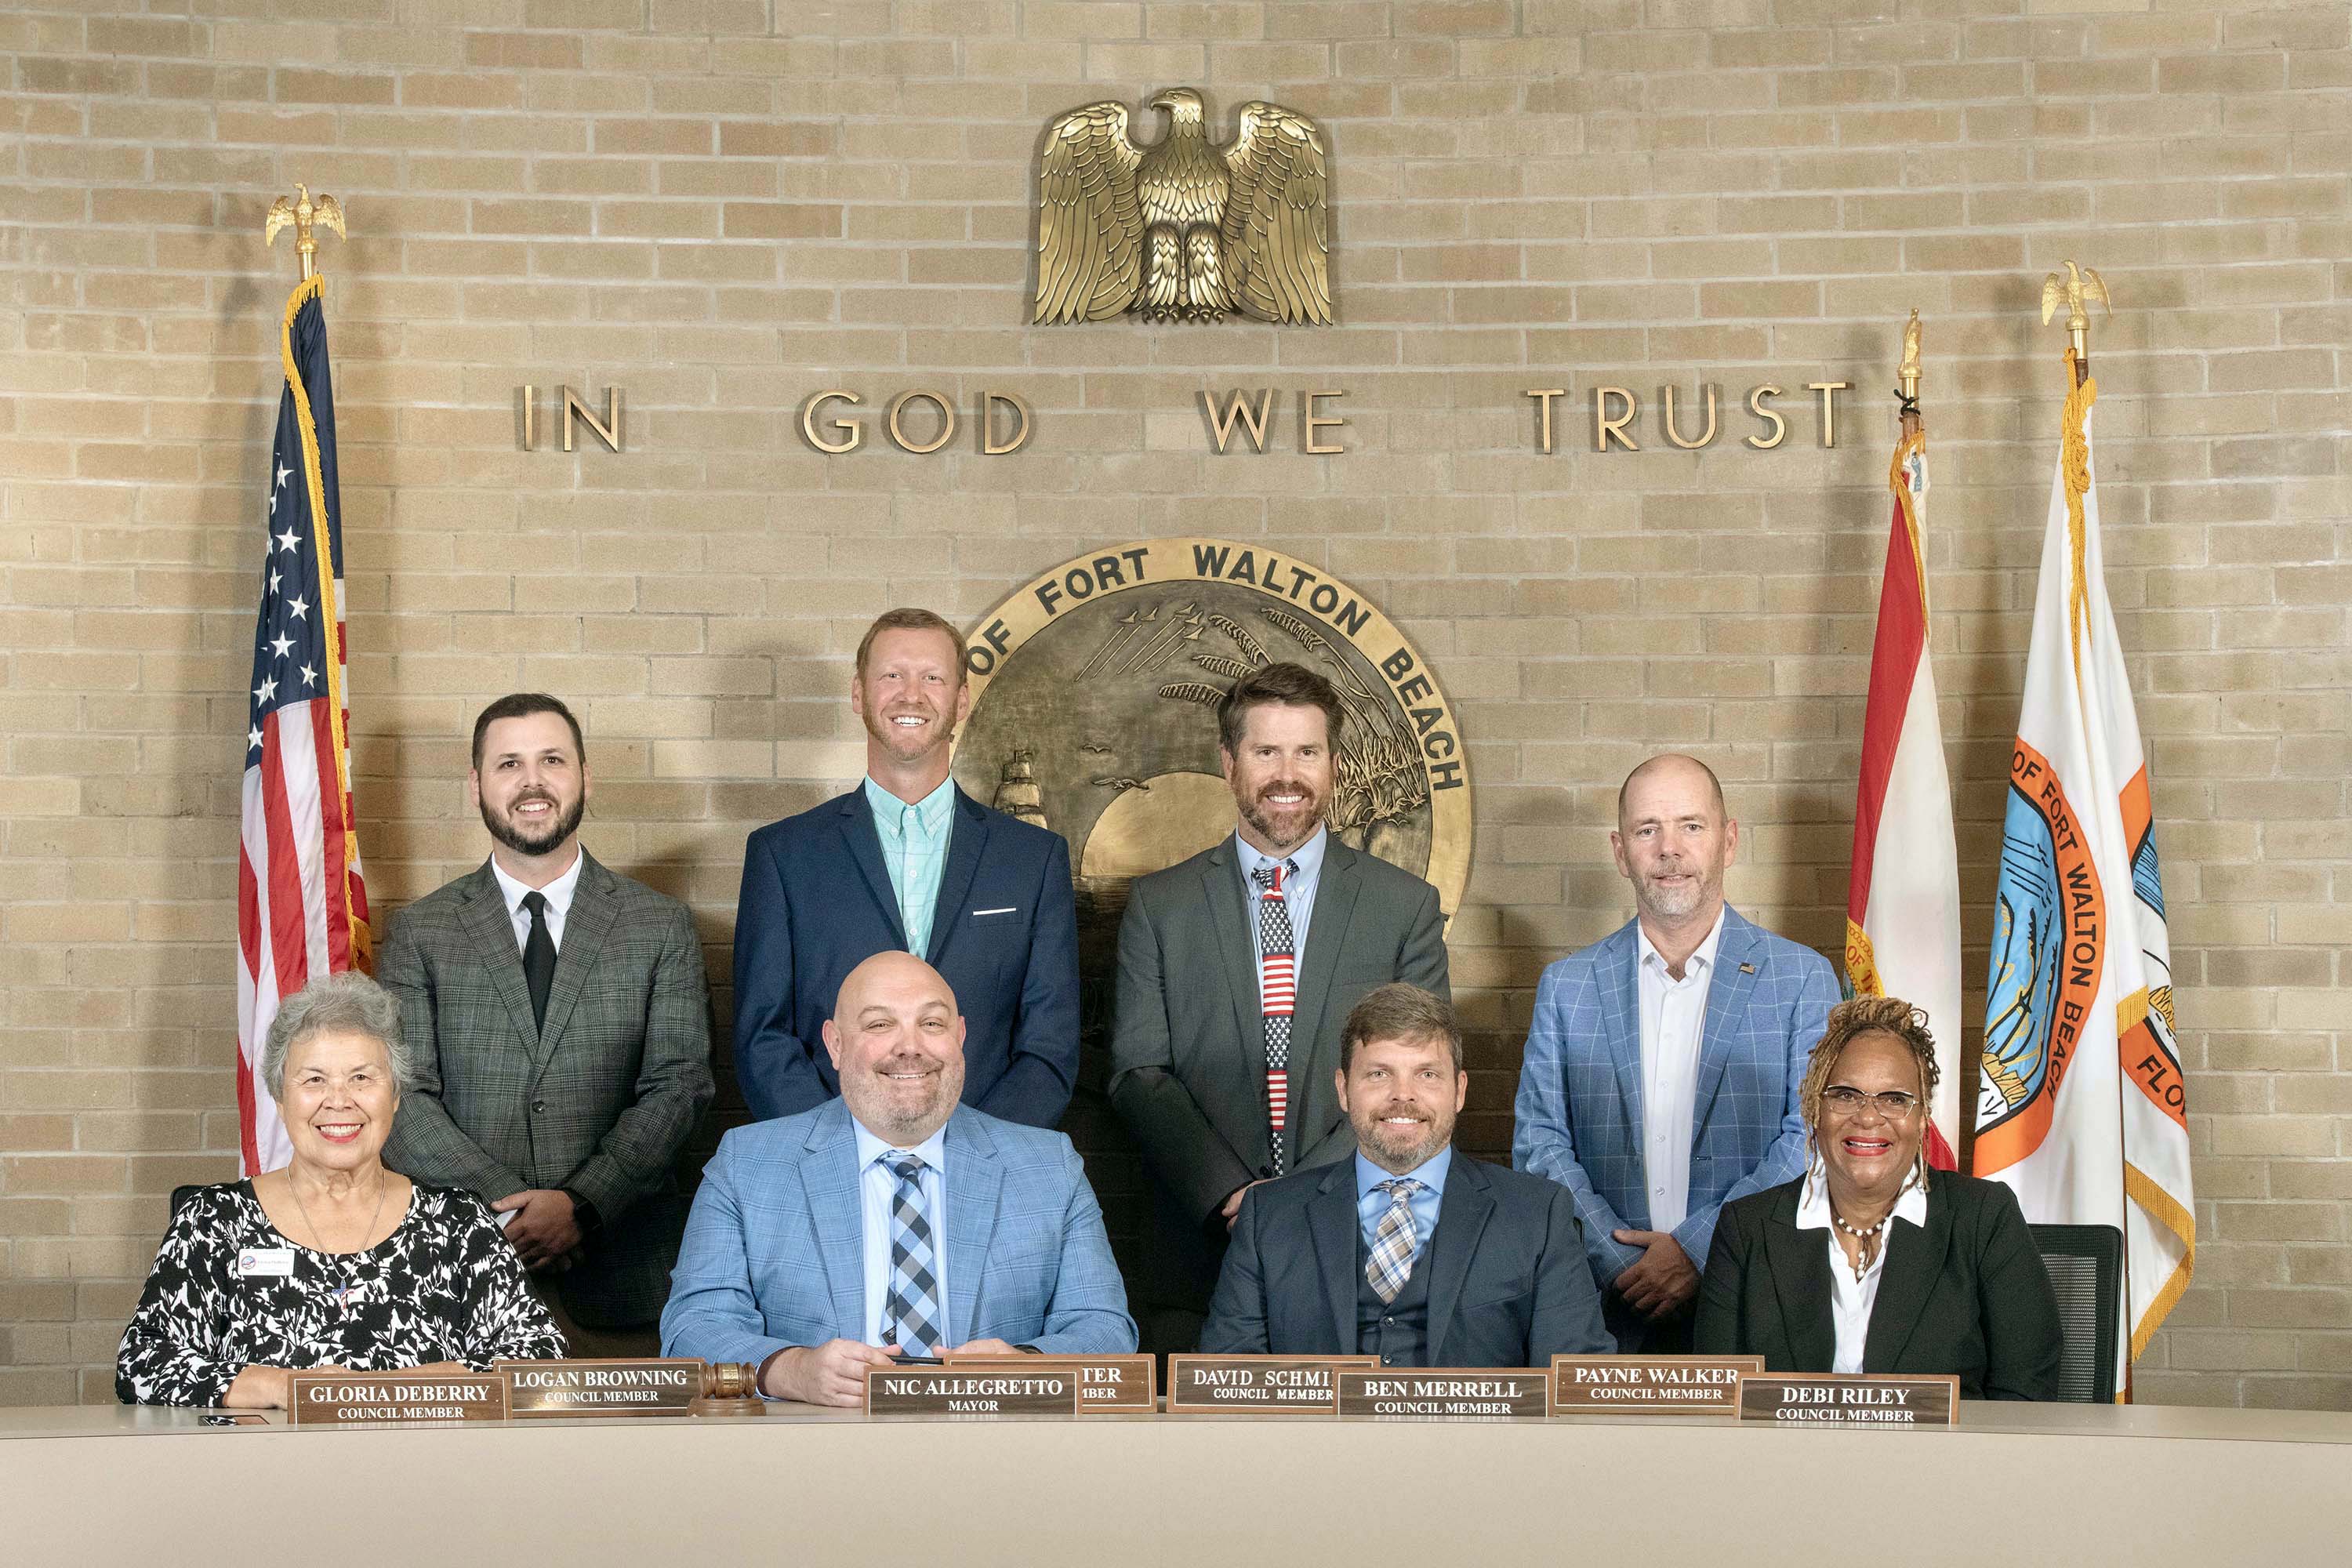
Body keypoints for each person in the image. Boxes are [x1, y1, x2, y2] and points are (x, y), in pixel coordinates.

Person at [1111, 662, 1450, 1352]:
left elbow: (1417, 1080)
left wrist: (1302, 1200)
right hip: (1198, 1254)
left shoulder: (1402, 908)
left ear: (1332, 765)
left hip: (1362, 1247)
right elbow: (1137, 1073)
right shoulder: (1159, 906)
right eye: (1266, 751)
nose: (1287, 774)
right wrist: (1233, 1195)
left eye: (1307, 752)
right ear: (1229, 763)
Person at [379, 693, 714, 1356]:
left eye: (552, 760)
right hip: (461, 1282)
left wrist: (581, 1205)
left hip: (625, 1278)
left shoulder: (660, 926)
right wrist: (507, 1204)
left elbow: (680, 1088)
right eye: (509, 764)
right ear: (476, 786)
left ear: (586, 777)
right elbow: (400, 1095)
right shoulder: (421, 932)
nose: (532, 782)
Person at [662, 952, 1134, 1405]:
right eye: (879, 1024)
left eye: (931, 1024)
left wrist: (1028, 1367)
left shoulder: (1051, 1168)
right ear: (835, 1044)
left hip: (996, 1453)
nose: (910, 1046)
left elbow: (1105, 1328)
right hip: (814, 1453)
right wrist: (792, 1371)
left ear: (961, 1037)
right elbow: (692, 1328)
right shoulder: (748, 1164)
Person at [117, 974, 564, 1406]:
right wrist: (287, 1388)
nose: (339, 1100)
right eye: (314, 1079)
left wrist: (384, 1392)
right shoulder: (214, 1221)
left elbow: (542, 1360)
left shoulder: (459, 1224)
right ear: (279, 1097)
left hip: (427, 1473)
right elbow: (143, 1364)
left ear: (393, 1097)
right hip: (260, 1473)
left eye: (362, 1078)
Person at [1513, 753, 1838, 1351]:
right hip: (1606, 1310)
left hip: (1754, 1302)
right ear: (1620, 851)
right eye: (1647, 830)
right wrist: (1620, 1262)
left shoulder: (1800, 979)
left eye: (1691, 825)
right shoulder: (1568, 986)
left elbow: (1810, 1140)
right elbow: (1539, 1146)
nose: (1669, 848)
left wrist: (1696, 1249)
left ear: (1729, 840)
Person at [731, 608, 1079, 1128]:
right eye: (892, 675)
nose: (910, 695)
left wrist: (979, 1156)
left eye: (932, 677)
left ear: (960, 700)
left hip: (987, 1174)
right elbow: (762, 1036)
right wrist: (840, 1151)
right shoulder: (783, 856)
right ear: (858, 694)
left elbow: (1049, 1044)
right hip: (829, 1173)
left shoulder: (1034, 860)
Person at [1202, 984, 1611, 1366]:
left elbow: (1575, 1383)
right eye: (1379, 1074)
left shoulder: (1537, 1214)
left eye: (1427, 1074)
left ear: (1460, 1091)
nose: (1403, 1095)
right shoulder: (1269, 1215)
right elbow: (1226, 1384)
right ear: (1344, 1090)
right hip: (1316, 1444)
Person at [1696, 997, 2063, 1399]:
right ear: (1815, 1108)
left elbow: (2025, 1393)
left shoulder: (1985, 1218)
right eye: (1846, 1095)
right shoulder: (1746, 1229)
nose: (1868, 1118)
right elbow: (1719, 1402)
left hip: (1946, 1461)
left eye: (1894, 1099)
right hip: (1788, 1461)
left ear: (1922, 1117)